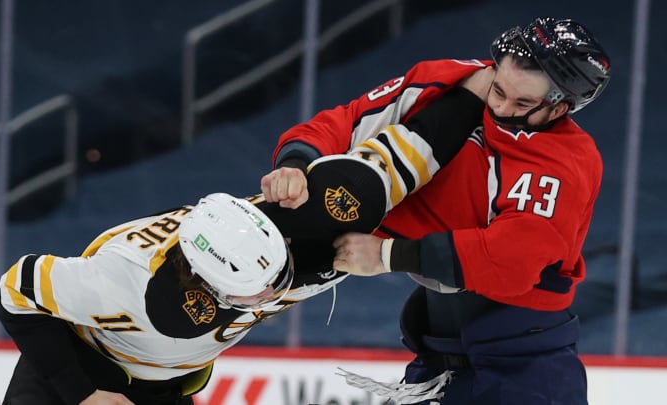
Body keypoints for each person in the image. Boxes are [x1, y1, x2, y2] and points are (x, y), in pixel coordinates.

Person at [0, 72, 491, 404]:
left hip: (167, 382)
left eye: (278, 273)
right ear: (209, 287)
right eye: (261, 291)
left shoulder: (305, 222)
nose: (277, 293)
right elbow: (15, 289)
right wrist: (83, 393)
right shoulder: (118, 281)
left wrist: (491, 81)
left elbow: (413, 149)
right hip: (76, 367)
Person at [261, 17, 610, 405]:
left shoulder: (565, 161)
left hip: (525, 370)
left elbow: (513, 258)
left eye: (523, 103)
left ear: (559, 108)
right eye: (498, 89)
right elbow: (349, 120)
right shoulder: (450, 81)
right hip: (439, 357)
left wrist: (387, 255)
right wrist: (294, 162)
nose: (500, 107)